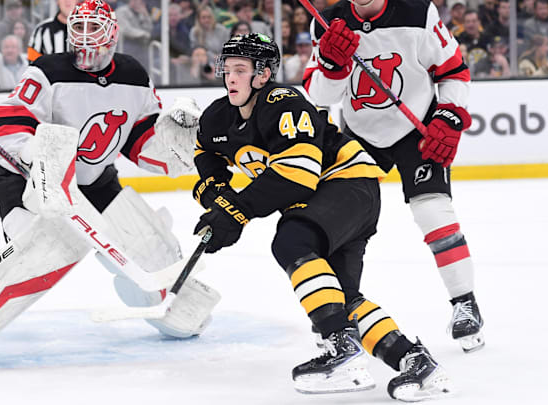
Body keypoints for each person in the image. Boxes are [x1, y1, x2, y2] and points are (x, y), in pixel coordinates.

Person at [0, 0, 219, 366]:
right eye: (78, 28)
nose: (84, 37)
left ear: (112, 33)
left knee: (148, 241)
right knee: (45, 251)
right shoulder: (47, 71)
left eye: (92, 28)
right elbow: (9, 125)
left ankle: (180, 312)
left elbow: (138, 141)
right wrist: (38, 157)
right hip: (30, 182)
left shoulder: (133, 75)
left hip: (96, 184)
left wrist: (176, 148)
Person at [193, 33, 452, 402]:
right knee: (342, 300)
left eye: (240, 70)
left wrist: (235, 211)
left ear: (263, 75)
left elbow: (298, 174)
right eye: (227, 70)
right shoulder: (217, 117)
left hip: (348, 184)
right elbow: (207, 153)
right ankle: (416, 362)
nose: (230, 78)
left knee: (292, 240)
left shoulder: (285, 104)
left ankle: (342, 349)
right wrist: (216, 195)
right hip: (333, 202)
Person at [304, 0, 485, 353]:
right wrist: (332, 63)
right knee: (344, 221)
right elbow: (319, 95)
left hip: (415, 128)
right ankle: (336, 314)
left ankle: (465, 302)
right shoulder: (325, 22)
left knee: (432, 210)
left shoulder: (417, 12)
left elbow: (453, 71)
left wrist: (447, 117)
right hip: (359, 133)